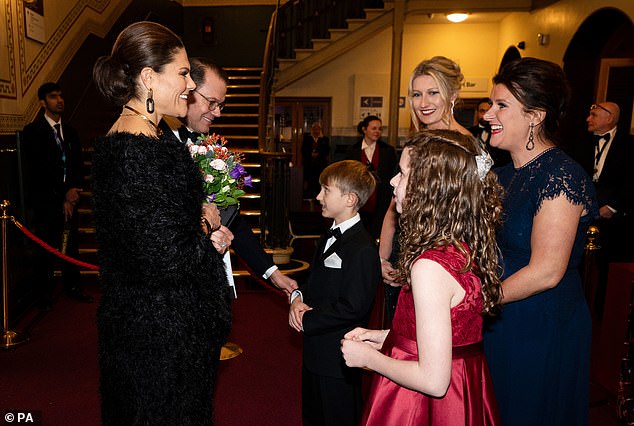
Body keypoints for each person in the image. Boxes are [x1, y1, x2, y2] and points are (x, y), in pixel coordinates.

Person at [91, 21, 231, 425]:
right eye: (183, 73)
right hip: (160, 341)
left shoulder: (138, 142)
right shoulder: (139, 153)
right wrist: (205, 223)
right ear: (150, 77)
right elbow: (169, 258)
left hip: (156, 332)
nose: (189, 84)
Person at [342, 130, 502, 425]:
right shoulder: (460, 248)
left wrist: (367, 358)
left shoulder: (430, 266)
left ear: (430, 190)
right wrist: (382, 338)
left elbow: (433, 381)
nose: (392, 181)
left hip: (423, 406)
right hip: (464, 387)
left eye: (402, 174)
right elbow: (448, 337)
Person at [482, 57, 597, 426]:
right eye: (491, 104)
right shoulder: (500, 175)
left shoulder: (561, 175)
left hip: (540, 324)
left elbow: (547, 271)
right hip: (499, 315)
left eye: (502, 105)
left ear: (535, 115)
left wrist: (477, 300)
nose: (488, 114)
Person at [159, 57, 298, 296]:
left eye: (221, 105)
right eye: (212, 102)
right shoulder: (154, 143)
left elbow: (234, 220)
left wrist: (271, 272)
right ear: (187, 90)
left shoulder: (210, 148)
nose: (217, 113)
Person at [379, 56, 473, 326]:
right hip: (401, 253)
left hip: (440, 260)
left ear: (452, 95)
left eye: (433, 93)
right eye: (417, 94)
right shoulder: (416, 141)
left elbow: (472, 217)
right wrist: (383, 258)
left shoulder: (467, 147)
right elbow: (392, 206)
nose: (423, 103)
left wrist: (417, 264)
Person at [289, 160, 381, 426]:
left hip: (339, 359)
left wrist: (307, 321)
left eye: (326, 190)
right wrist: (298, 299)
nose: (318, 197)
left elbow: (354, 307)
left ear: (350, 199)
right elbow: (314, 281)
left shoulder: (362, 248)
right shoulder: (328, 235)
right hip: (315, 354)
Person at [22, 82, 93, 309]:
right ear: (43, 102)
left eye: (61, 96)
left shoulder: (70, 132)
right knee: (45, 247)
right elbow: (38, 170)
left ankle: (73, 286)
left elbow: (77, 165)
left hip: (70, 201)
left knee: (69, 246)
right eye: (53, 97)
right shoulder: (33, 132)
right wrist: (63, 194)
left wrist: (73, 192)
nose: (60, 100)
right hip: (46, 202)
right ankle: (43, 293)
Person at [583, 102, 634, 312]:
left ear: (610, 118)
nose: (588, 118)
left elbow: (632, 180)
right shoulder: (579, 142)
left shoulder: (630, 145)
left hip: (616, 219)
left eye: (594, 114)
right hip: (583, 213)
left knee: (608, 267)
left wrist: (613, 207)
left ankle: (603, 311)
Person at [345, 115, 397, 240]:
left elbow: (392, 175)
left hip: (381, 200)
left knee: (377, 232)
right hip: (358, 199)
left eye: (379, 129)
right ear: (364, 129)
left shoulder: (388, 150)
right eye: (374, 128)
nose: (377, 132)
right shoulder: (353, 150)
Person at [468, 97, 511, 168]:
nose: (485, 115)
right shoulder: (468, 132)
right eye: (482, 111)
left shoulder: (502, 133)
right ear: (477, 113)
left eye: (488, 111)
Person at [301, 121, 330, 198]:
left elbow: (326, 150)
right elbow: (303, 150)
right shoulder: (307, 138)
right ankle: (309, 197)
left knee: (319, 182)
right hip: (309, 164)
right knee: (309, 182)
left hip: (320, 165)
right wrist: (310, 154)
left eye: (318, 129)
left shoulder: (324, 139)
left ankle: (318, 197)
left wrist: (318, 154)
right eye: (314, 129)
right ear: (312, 130)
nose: (316, 131)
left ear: (320, 130)